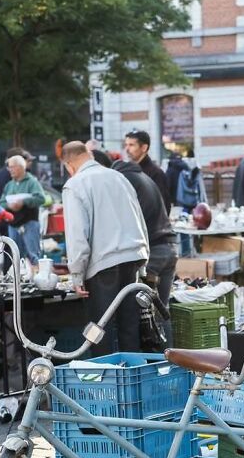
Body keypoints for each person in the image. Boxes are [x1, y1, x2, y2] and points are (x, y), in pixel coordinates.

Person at [61, 141, 149, 354]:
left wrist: (76, 274)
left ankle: (105, 385)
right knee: (129, 328)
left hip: (103, 265)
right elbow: (138, 217)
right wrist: (143, 262)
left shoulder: (75, 185)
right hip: (133, 257)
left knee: (100, 333)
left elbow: (77, 236)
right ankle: (132, 381)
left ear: (68, 164)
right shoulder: (118, 177)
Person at [112, 159, 178, 342]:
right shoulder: (145, 178)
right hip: (169, 247)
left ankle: (152, 358)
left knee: (140, 313)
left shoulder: (125, 181)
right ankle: (169, 358)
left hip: (153, 251)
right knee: (162, 310)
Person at [0, 154, 45, 265]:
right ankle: (19, 280)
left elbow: (41, 198)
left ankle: (38, 279)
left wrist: (23, 202)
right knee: (15, 256)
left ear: (21, 167)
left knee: (33, 255)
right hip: (13, 224)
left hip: (29, 223)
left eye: (12, 167)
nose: (9, 170)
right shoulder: (9, 185)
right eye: (9, 167)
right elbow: (1, 202)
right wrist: (9, 206)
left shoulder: (32, 182)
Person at [123, 130, 171, 213]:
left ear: (144, 148)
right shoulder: (127, 171)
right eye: (126, 145)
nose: (127, 149)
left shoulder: (156, 173)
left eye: (131, 145)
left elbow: (163, 207)